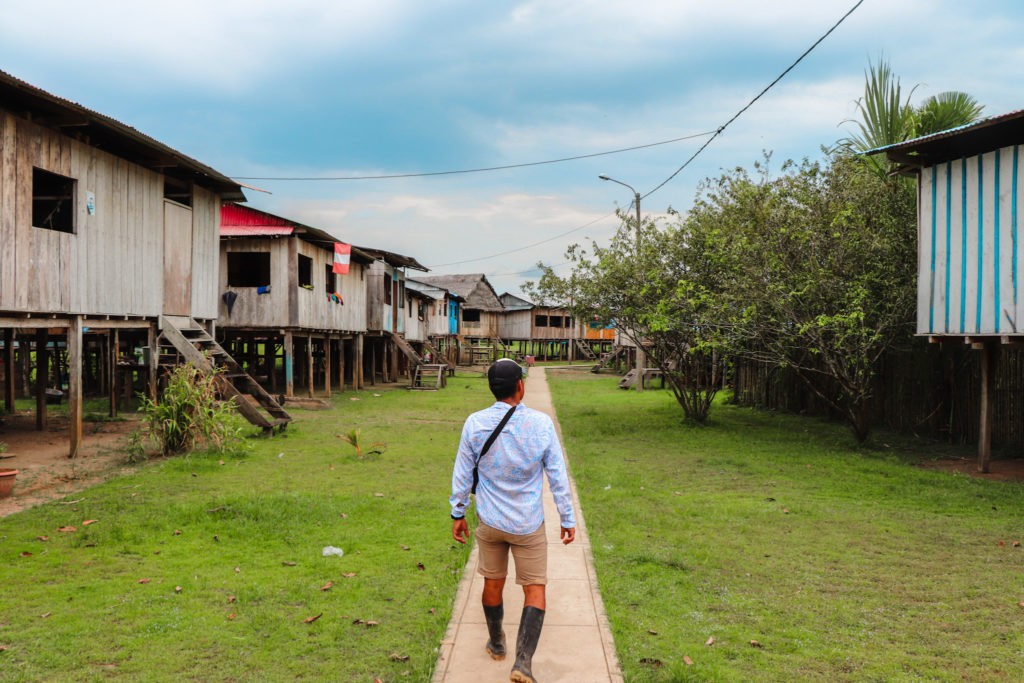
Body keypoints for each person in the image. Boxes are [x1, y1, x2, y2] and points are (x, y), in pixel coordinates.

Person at [450, 358, 576, 683]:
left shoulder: (475, 423)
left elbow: (463, 474)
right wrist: (567, 517)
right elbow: (558, 477)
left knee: (493, 583)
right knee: (535, 588)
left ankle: (496, 642)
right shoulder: (541, 424)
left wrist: (458, 513)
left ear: (492, 388)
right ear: (520, 385)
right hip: (528, 524)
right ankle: (523, 663)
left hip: (490, 523)